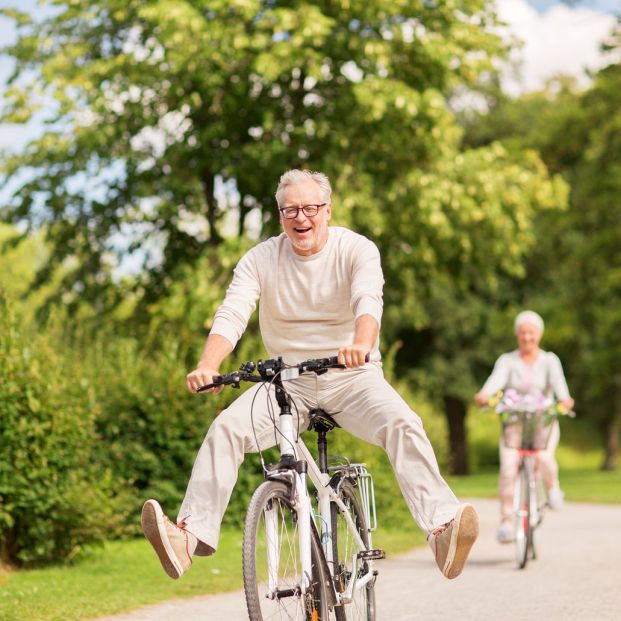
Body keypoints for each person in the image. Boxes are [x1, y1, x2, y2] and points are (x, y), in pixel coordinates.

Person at [141, 169, 479, 581]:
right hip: (286, 383)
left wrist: (361, 343)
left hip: (352, 376)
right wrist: (208, 365)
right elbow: (233, 313)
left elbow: (368, 301)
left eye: (310, 208)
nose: (301, 218)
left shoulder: (356, 249)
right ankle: (187, 539)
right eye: (290, 210)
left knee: (403, 423)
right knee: (226, 428)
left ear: (327, 210)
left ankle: (442, 530)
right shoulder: (260, 258)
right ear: (280, 215)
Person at [474, 310, 574, 543]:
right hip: (515, 423)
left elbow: (561, 388)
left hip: (543, 422)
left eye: (531, 333)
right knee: (508, 468)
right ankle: (507, 522)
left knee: (544, 458)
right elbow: (495, 382)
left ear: (538, 334)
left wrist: (565, 400)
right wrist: (484, 395)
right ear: (517, 335)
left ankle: (552, 489)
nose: (527, 337)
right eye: (522, 333)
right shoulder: (508, 361)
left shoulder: (550, 360)